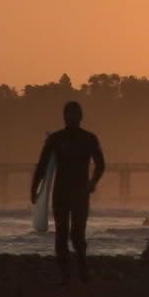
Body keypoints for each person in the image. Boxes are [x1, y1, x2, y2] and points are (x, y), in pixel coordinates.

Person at [31, 101, 105, 284]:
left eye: (74, 114)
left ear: (80, 116)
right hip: (61, 192)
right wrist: (35, 188)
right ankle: (65, 276)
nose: (70, 117)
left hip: (80, 191)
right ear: (64, 116)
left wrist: (93, 182)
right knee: (61, 234)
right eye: (68, 114)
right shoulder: (56, 139)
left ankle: (83, 272)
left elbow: (101, 165)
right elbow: (42, 165)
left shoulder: (89, 139)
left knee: (78, 234)